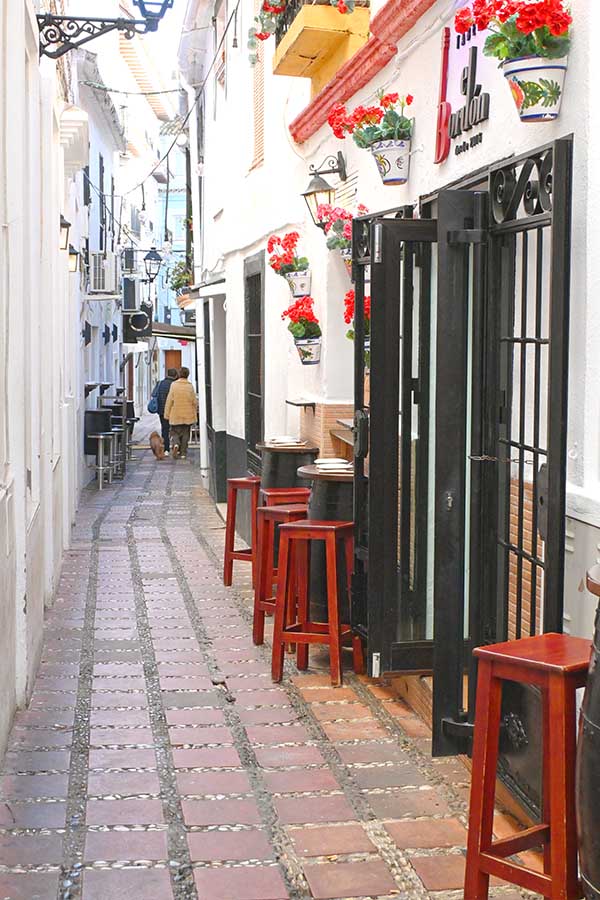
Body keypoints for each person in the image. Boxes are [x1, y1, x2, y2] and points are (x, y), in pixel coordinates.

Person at [164, 367, 198, 459]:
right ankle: (183, 453)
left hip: (175, 414)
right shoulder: (190, 386)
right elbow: (194, 401)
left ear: (179, 374)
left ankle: (175, 444)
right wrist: (195, 413)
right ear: (188, 375)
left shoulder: (174, 385)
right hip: (187, 415)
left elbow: (169, 400)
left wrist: (166, 414)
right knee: (185, 433)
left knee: (174, 432)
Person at [155, 368, 178, 454]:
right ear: (175, 375)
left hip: (162, 410)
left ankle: (166, 449)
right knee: (175, 429)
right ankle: (176, 445)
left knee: (164, 429)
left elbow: (154, 394)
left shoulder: (160, 383)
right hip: (173, 410)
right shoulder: (175, 384)